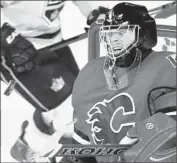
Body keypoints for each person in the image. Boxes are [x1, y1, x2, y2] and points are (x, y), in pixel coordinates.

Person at [71, 2, 176, 162]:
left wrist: (136, 142)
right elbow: (82, 148)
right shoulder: (89, 75)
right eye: (110, 34)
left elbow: (171, 132)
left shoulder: (165, 66)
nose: (114, 41)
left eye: (122, 34)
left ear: (143, 35)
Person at [0, 1, 109, 135]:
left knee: (77, 96)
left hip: (54, 42)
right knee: (67, 111)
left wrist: (94, 13)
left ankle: (34, 137)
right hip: (17, 56)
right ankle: (31, 146)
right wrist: (4, 37)